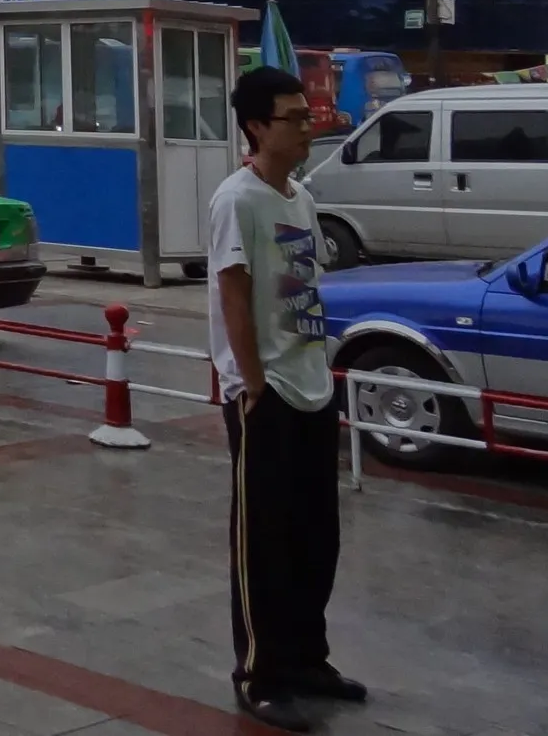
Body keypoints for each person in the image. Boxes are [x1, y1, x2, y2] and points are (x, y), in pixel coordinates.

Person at [209, 66, 361, 731]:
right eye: (293, 117)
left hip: (312, 385)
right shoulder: (235, 200)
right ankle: (259, 669)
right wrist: (253, 381)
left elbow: (304, 286)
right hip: (265, 392)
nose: (307, 125)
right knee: (262, 539)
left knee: (314, 535)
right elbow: (234, 293)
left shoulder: (299, 196)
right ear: (255, 126)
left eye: (308, 114)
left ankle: (307, 657)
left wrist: (319, 375)